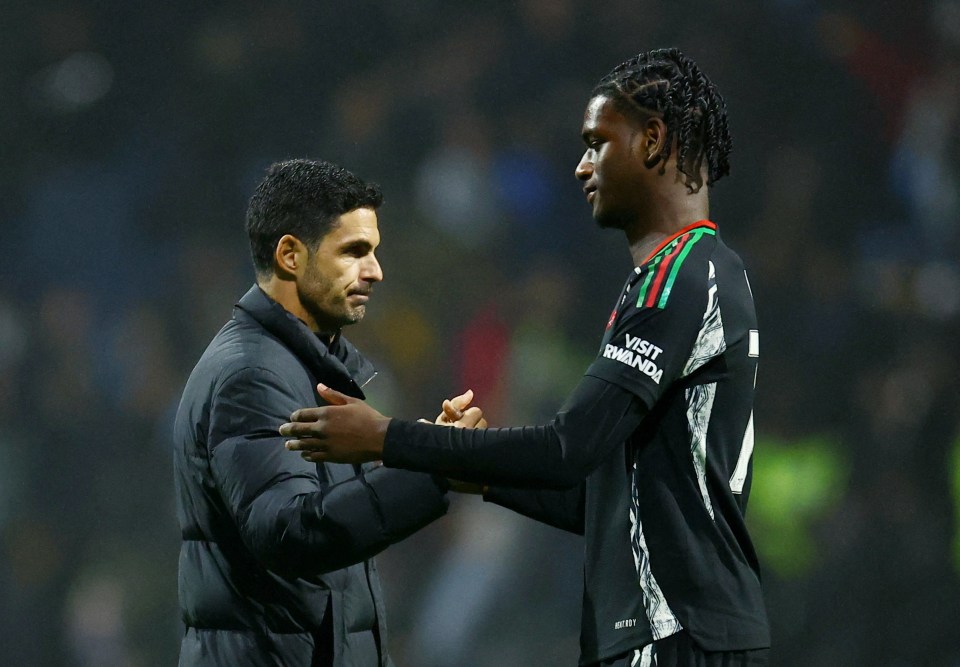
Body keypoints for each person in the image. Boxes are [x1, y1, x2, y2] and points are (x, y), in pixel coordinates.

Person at [280, 49, 771, 667]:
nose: (581, 166)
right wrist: (474, 473)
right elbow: (603, 500)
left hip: (679, 631)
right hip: (669, 626)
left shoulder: (678, 281)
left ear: (652, 142)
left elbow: (567, 451)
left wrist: (385, 439)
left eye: (597, 144)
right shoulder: (686, 276)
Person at [172, 159, 480, 666]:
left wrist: (420, 454)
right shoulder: (254, 375)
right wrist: (431, 469)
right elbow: (291, 533)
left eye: (375, 252)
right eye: (354, 252)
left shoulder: (297, 366)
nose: (375, 271)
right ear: (291, 255)